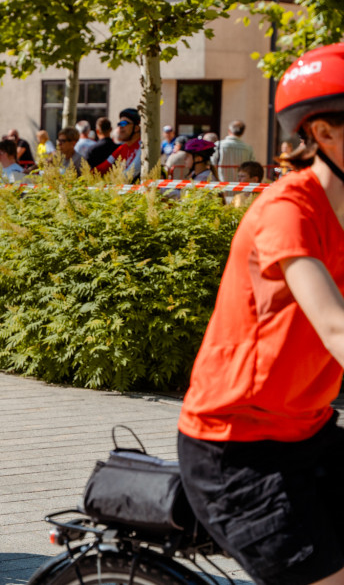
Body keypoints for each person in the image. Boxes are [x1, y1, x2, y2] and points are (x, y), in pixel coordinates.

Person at [178, 43, 344, 585]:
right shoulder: (287, 211)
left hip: (309, 428)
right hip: (237, 447)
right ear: (324, 134)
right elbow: (335, 325)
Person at [93, 109, 142, 181]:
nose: (120, 127)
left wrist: (111, 182)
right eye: (119, 124)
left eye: (124, 123)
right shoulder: (121, 148)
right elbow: (104, 167)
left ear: (136, 128)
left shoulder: (143, 148)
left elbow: (130, 173)